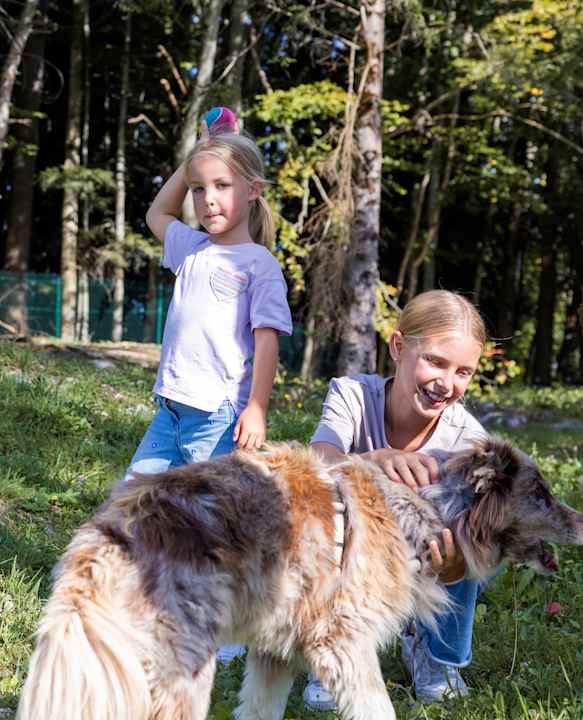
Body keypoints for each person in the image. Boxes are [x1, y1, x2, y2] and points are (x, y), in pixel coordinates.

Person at [127, 107, 293, 666]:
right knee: (139, 498)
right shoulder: (190, 250)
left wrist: (257, 407)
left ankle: (222, 629)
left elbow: (266, 341)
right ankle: (149, 604)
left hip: (217, 417)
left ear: (253, 191)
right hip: (169, 413)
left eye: (221, 186)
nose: (207, 200)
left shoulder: (259, 265)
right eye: (200, 189)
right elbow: (156, 210)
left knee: (212, 523)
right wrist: (199, 149)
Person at [302, 289, 489, 710]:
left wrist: (458, 562)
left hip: (424, 558)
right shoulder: (352, 395)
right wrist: (372, 459)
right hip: (355, 544)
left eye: (464, 372)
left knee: (472, 536)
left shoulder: (468, 438)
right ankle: (334, 652)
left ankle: (436, 655)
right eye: (436, 362)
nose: (447, 383)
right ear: (399, 347)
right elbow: (318, 459)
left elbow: (477, 527)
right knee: (323, 509)